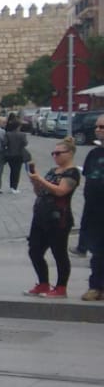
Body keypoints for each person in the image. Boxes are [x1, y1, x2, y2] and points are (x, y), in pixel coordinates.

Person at [25, 138, 82, 298]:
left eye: (58, 153)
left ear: (69, 153)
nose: (55, 156)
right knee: (34, 250)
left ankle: (61, 287)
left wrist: (41, 180)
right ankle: (43, 283)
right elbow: (40, 192)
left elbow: (60, 191)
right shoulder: (52, 171)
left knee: (59, 253)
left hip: (59, 218)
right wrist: (35, 182)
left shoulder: (72, 172)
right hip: (41, 215)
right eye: (53, 153)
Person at [83, 116, 104, 301]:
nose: (98, 129)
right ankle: (95, 286)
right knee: (97, 251)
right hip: (95, 211)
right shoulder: (94, 154)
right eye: (97, 126)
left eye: (102, 127)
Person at [4, 119, 30, 192]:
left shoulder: (7, 134)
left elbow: (4, 143)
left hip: (10, 154)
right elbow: (25, 143)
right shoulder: (22, 134)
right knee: (17, 171)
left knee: (12, 170)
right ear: (18, 127)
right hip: (19, 154)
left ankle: (11, 186)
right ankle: (14, 187)